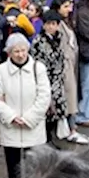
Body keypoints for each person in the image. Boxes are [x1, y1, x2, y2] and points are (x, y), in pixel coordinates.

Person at [0, 33, 50, 178]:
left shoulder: (38, 68)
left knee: (33, 164)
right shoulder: (1, 70)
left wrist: (30, 118)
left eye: (23, 50)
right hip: (12, 126)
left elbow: (44, 96)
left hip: (33, 126)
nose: (20, 54)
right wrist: (11, 117)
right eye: (16, 51)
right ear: (9, 53)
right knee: (13, 164)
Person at [31, 9, 77, 145]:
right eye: (48, 24)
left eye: (54, 24)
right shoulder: (39, 42)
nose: (51, 27)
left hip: (58, 81)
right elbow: (38, 63)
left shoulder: (59, 39)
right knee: (46, 111)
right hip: (45, 80)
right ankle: (45, 140)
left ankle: (51, 138)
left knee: (56, 111)